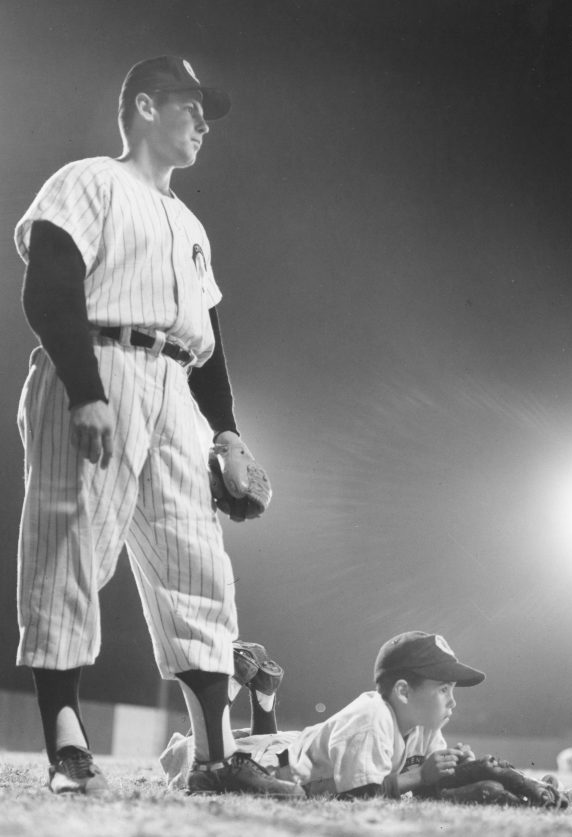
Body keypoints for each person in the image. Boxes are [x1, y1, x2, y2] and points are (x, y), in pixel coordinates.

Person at [14, 55, 301, 799]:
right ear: (144, 107)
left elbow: (210, 337)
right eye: (190, 107)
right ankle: (66, 740)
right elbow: (49, 284)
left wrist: (229, 433)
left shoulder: (189, 221)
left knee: (197, 560)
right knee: (69, 543)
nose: (204, 122)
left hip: (175, 384)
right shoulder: (88, 181)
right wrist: (83, 389)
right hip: (99, 362)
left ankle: (215, 754)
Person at [162, 630, 490, 800]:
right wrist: (420, 776)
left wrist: (454, 765)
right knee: (200, 760)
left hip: (294, 749)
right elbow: (358, 795)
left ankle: (264, 693)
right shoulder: (372, 717)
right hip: (277, 762)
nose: (452, 702)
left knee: (259, 743)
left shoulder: (425, 725)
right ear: (404, 692)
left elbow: (428, 783)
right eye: (444, 689)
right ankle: (234, 684)